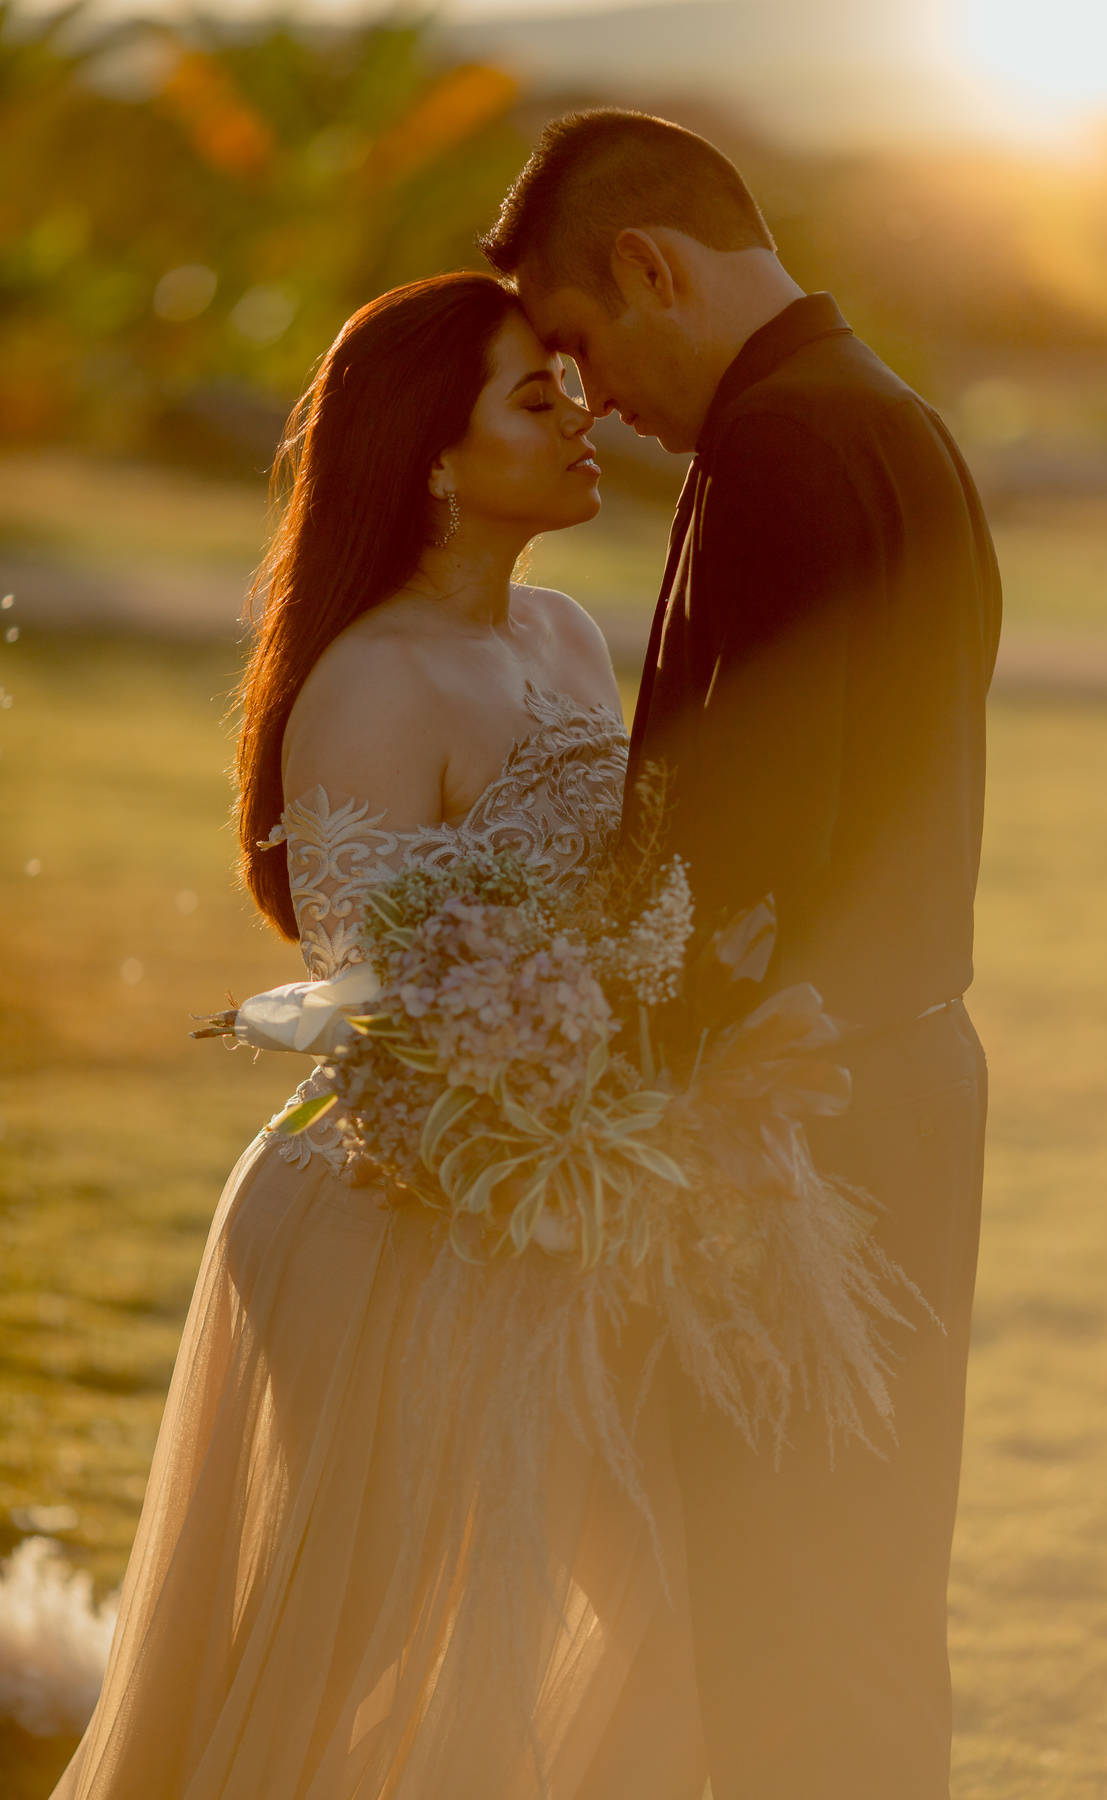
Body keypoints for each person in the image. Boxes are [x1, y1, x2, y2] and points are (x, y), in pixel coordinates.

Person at [51, 272, 710, 1800]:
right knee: (351, 1648)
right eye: (533, 399)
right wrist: (551, 1083)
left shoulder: (562, 634)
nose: (581, 417)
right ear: (430, 452)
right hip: (389, 1212)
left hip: (551, 1200)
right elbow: (376, 999)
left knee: (632, 1596)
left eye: (572, 386)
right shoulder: (368, 685)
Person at [482, 109, 1001, 1799]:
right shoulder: (880, 414)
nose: (596, 399)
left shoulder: (786, 445)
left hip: (802, 1108)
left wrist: (629, 1091)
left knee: (791, 1595)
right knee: (847, 1581)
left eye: (582, 346)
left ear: (651, 267)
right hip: (888, 1074)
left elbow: (750, 844)